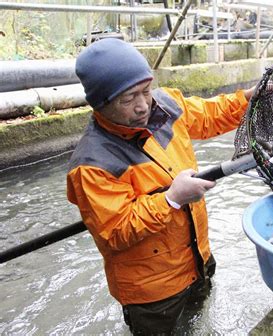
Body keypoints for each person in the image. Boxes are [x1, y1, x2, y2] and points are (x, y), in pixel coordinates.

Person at [66, 38, 255, 335]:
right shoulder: (91, 165)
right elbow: (116, 230)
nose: (142, 106)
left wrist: (248, 99)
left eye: (145, 90)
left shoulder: (166, 104)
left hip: (197, 258)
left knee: (199, 320)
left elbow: (209, 115)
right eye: (128, 99)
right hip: (151, 292)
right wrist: (171, 199)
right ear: (100, 104)